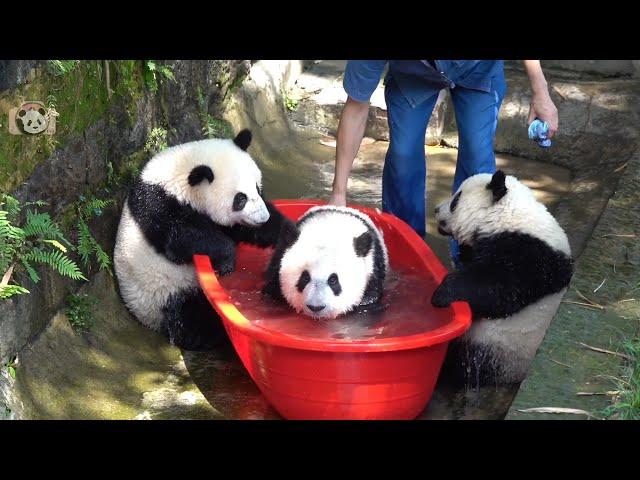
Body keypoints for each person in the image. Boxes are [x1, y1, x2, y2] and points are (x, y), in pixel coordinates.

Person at [328, 60, 559, 263]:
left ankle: (471, 255)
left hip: (478, 68)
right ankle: (405, 247)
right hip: (412, 73)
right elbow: (356, 107)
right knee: (403, 154)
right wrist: (338, 193)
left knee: (477, 158)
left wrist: (541, 92)